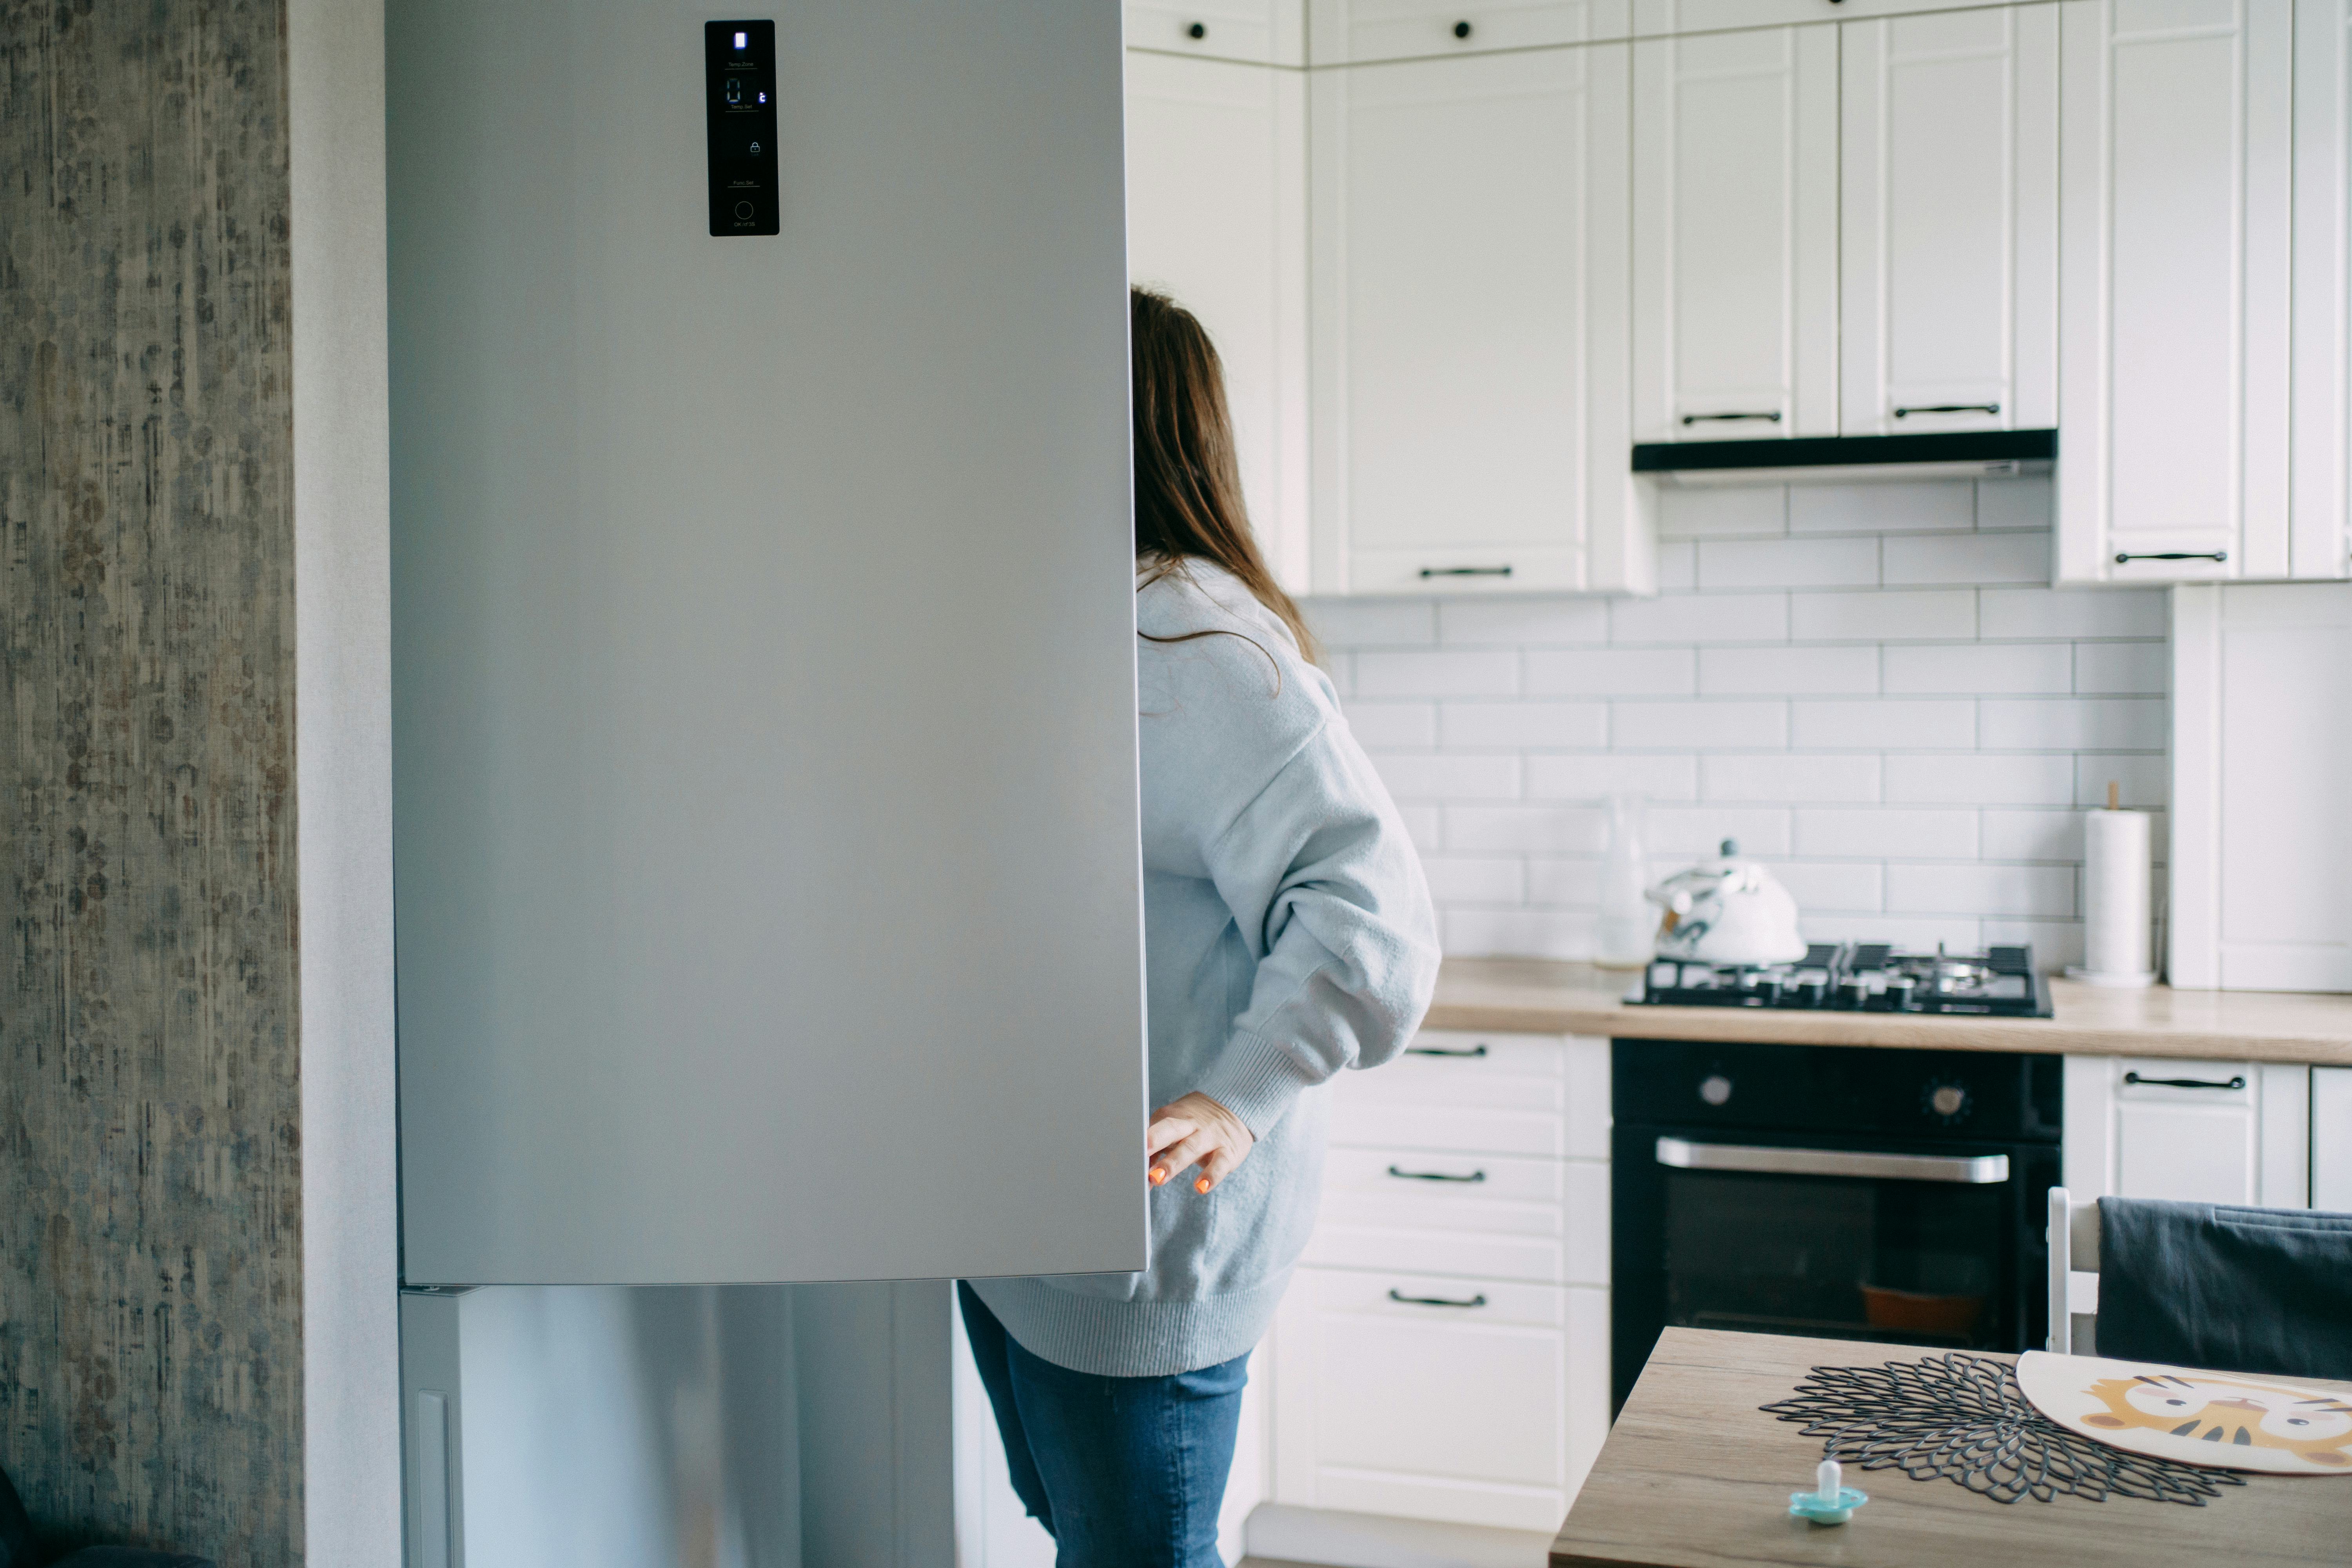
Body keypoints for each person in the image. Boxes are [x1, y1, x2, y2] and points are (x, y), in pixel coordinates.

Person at [958, 287, 1441, 1566]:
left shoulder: (1197, 643)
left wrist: (1239, 1097)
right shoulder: (1049, 623)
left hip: (1147, 1241)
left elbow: (1378, 923)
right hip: (1027, 1230)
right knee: (1089, 1540)